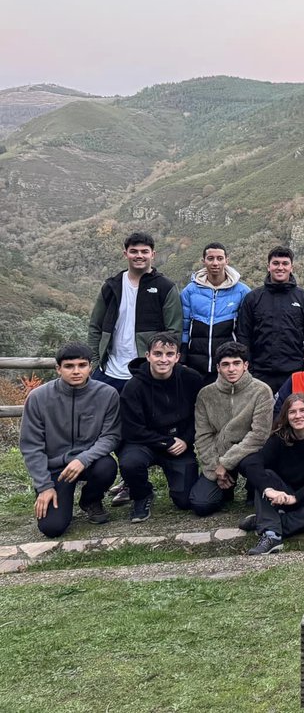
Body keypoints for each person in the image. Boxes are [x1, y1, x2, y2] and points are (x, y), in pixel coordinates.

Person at [19, 342, 120, 538]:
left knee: (107, 466)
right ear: (58, 369)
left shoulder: (107, 394)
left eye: (82, 365)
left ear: (90, 367)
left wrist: (83, 459)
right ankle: (56, 496)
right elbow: (32, 447)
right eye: (69, 366)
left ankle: (90, 500)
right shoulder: (38, 397)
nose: (76, 371)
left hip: (89, 462)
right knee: (52, 528)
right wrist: (44, 486)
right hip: (55, 468)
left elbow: (111, 436)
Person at [116, 332, 204, 521]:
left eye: (169, 354)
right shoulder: (133, 387)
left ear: (177, 357)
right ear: (148, 356)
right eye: (158, 354)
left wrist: (187, 440)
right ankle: (142, 495)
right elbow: (131, 429)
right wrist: (166, 442)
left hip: (180, 441)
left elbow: (200, 416)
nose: (163, 359)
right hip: (143, 442)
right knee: (130, 463)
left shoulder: (192, 379)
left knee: (185, 501)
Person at [239, 392, 304, 555]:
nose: (298, 416)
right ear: (286, 415)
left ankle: (265, 522)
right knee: (265, 476)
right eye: (292, 412)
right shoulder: (279, 437)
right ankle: (271, 536)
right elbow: (250, 463)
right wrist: (268, 489)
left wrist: (296, 498)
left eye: (303, 410)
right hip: (281, 494)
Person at [87, 231, 182, 395]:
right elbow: (95, 326)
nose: (139, 256)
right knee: (104, 419)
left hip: (146, 373)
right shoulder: (111, 286)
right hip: (109, 372)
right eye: (134, 251)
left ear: (153, 254)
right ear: (126, 254)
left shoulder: (165, 287)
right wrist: (95, 363)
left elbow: (174, 332)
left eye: (144, 251)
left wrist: (160, 366)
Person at [189, 341, 274, 516]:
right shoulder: (206, 394)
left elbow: (259, 435)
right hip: (218, 455)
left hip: (249, 454)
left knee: (254, 496)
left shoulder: (261, 391)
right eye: (226, 364)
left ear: (246, 365)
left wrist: (226, 463)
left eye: (237, 363)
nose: (231, 369)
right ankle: (226, 486)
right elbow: (203, 437)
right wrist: (215, 468)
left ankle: (253, 487)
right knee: (201, 504)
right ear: (218, 367)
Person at [241, 245, 304, 393]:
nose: (280, 268)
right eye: (276, 263)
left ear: (292, 267)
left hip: (295, 373)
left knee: (294, 415)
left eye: (285, 263)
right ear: (268, 266)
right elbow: (244, 336)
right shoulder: (252, 298)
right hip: (259, 373)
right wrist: (248, 367)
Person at [180, 242, 252, 383]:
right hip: (195, 364)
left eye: (219, 258)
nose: (215, 263)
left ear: (227, 260)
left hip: (227, 365)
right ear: (203, 261)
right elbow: (184, 327)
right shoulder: (190, 291)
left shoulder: (242, 291)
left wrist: (244, 360)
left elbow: (245, 331)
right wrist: (182, 359)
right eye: (210, 258)